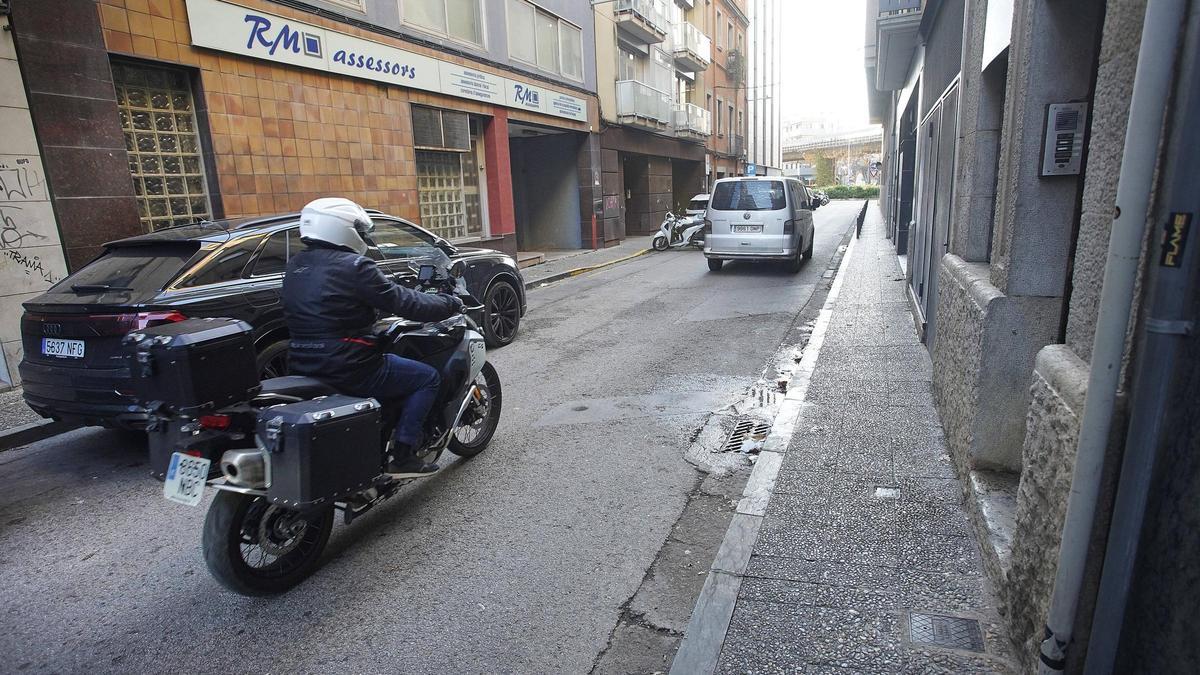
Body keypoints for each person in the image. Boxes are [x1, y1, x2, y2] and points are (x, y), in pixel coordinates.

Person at [282, 197, 462, 478]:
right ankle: (404, 454)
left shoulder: (296, 265)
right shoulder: (354, 266)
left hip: (303, 361)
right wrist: (449, 303)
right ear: (341, 228)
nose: (363, 236)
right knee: (427, 378)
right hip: (350, 365)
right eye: (359, 230)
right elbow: (406, 303)